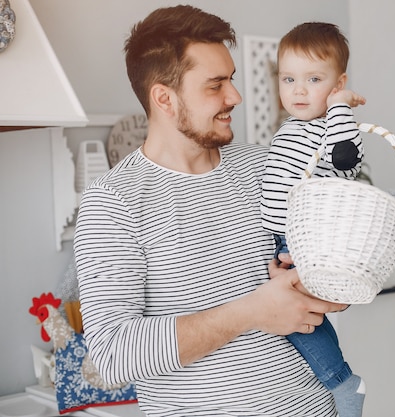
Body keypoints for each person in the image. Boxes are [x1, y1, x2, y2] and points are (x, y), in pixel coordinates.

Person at [73, 6, 348, 416]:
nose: (234, 96)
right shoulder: (114, 202)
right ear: (164, 97)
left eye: (231, 79)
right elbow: (113, 355)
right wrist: (253, 311)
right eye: (215, 85)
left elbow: (336, 280)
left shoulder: (265, 167)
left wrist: (323, 284)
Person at [260, 22, 366, 417]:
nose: (298, 90)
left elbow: (346, 159)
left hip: (307, 239)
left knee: (296, 319)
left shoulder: (334, 126)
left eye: (314, 79)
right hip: (279, 239)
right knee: (292, 318)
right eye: (289, 79)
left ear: (337, 83)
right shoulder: (291, 126)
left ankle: (342, 382)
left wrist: (340, 104)